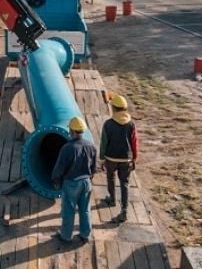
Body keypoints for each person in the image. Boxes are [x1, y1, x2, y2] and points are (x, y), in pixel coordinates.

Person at [51, 116, 97, 243]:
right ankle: (85, 234)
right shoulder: (91, 145)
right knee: (85, 209)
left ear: (72, 131)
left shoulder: (67, 148)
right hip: (86, 182)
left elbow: (59, 168)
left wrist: (55, 180)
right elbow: (94, 167)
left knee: (68, 211)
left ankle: (66, 236)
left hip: (72, 183)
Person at [99, 94, 139, 223]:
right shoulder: (131, 124)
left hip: (111, 158)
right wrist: (134, 158)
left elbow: (104, 142)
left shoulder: (108, 124)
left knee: (110, 178)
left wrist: (102, 158)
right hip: (126, 159)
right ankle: (124, 211)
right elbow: (134, 142)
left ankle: (112, 198)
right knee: (124, 184)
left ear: (114, 108)